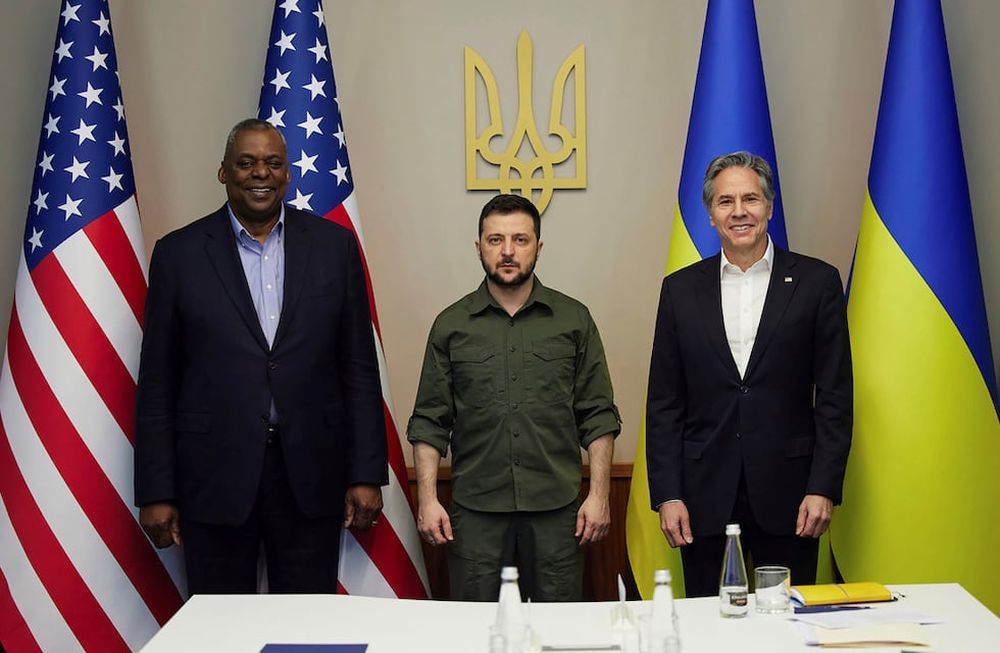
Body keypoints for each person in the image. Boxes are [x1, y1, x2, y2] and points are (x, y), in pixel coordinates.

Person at [134, 118, 387, 594]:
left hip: (311, 475)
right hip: (214, 476)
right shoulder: (179, 255)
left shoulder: (334, 248)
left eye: (272, 163)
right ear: (223, 172)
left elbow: (358, 367)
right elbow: (157, 382)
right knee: (221, 628)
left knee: (307, 628)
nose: (260, 174)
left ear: (288, 173)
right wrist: (156, 489)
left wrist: (366, 473)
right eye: (246, 163)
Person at [645, 151, 852, 597]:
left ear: (769, 207)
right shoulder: (679, 290)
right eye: (725, 202)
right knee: (707, 627)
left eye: (750, 199)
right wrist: (668, 494)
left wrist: (823, 487)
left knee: (786, 626)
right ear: (711, 214)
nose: (739, 211)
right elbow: (665, 402)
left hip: (793, 496)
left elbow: (835, 396)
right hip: (701, 499)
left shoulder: (817, 283)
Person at [408, 194, 621, 601]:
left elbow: (598, 415)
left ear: (538, 247)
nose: (507, 251)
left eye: (520, 240)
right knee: (474, 635)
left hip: (558, 513)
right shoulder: (451, 325)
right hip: (475, 515)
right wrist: (428, 499)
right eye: (495, 240)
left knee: (559, 635)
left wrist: (598, 496)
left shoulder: (573, 319)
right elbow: (430, 422)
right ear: (479, 247)